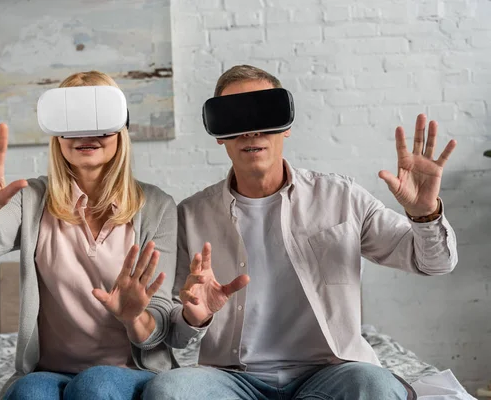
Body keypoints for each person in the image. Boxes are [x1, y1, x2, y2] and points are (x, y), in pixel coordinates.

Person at [144, 65, 459, 400]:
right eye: (235, 118)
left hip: (330, 372)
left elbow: (433, 263)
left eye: (264, 113)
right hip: (232, 380)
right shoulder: (191, 215)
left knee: (376, 384)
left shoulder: (342, 198)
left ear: (287, 126)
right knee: (169, 390)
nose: (252, 130)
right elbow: (175, 333)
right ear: (219, 133)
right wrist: (196, 314)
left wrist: (424, 214)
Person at [0, 71, 177, 400]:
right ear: (56, 133)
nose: (85, 134)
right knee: (28, 393)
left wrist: (134, 316)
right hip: (49, 371)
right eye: (72, 121)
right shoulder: (32, 199)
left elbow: (160, 330)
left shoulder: (157, 207)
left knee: (94, 386)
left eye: (98, 120)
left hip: (128, 372)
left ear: (122, 126)